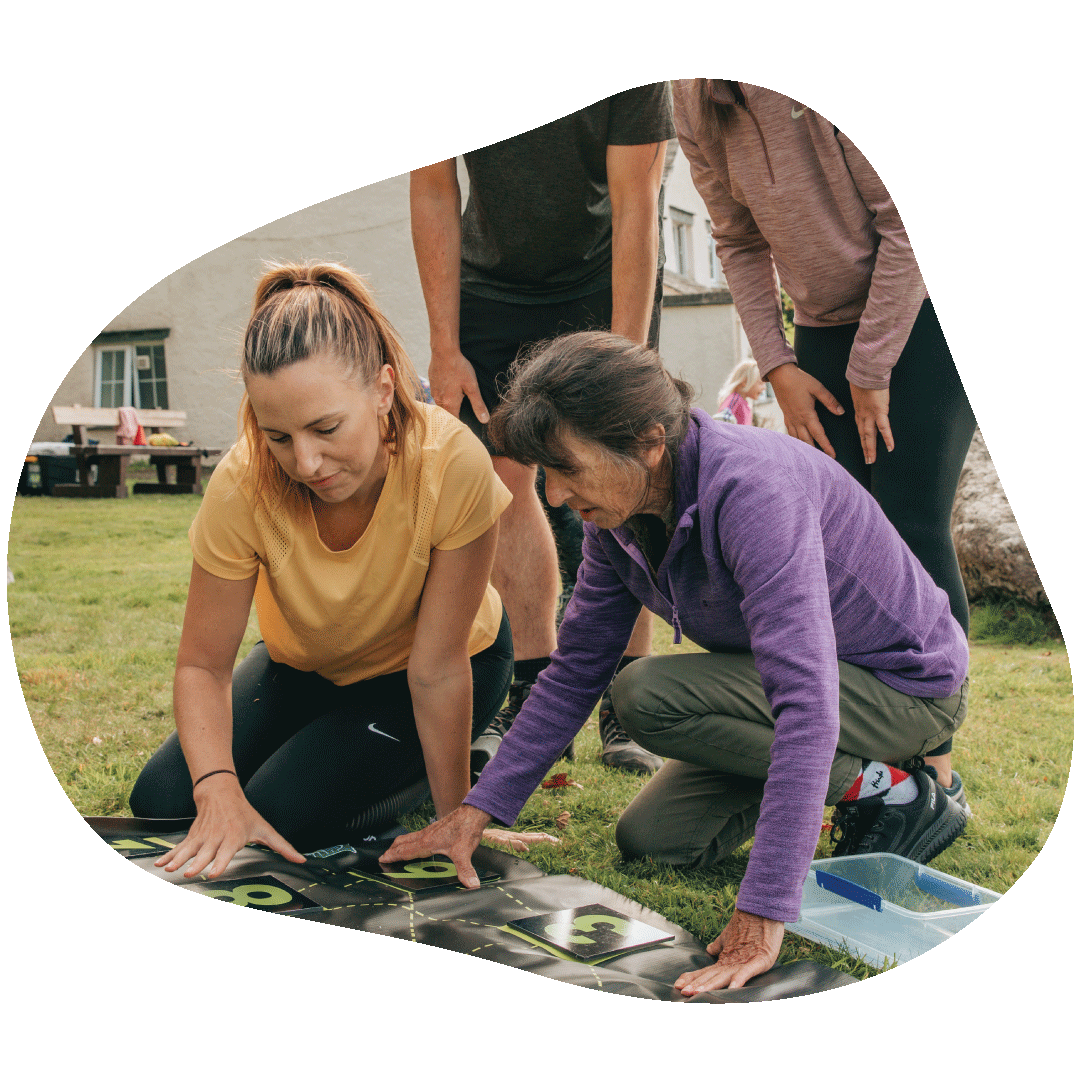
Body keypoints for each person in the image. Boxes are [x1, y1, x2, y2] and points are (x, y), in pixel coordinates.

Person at [379, 331, 969, 994]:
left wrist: (765, 910)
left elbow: (805, 705)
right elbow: (574, 671)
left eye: (567, 468)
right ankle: (854, 778)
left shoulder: (753, 494)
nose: (552, 495)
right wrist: (477, 812)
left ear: (649, 441)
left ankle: (897, 788)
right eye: (545, 473)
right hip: (797, 687)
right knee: (653, 838)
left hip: (905, 687)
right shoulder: (617, 521)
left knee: (647, 693)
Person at [129, 260, 556, 879]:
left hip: (438, 666)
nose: (305, 462)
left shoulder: (452, 463)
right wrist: (217, 784)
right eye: (277, 436)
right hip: (309, 664)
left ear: (384, 390)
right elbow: (203, 663)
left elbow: (436, 670)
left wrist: (455, 816)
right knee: (165, 803)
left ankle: (465, 755)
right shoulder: (241, 481)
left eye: (326, 428)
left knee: (282, 815)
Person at [672, 80, 977, 812]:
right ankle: (868, 750)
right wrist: (778, 365)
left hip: (919, 310)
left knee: (910, 521)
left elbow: (900, 227)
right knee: (835, 532)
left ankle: (931, 762)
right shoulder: (690, 99)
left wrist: (871, 367)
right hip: (818, 329)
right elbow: (737, 239)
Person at [409, 85, 675, 775]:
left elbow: (636, 204)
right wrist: (444, 346)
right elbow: (434, 191)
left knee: (623, 475)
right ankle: (528, 685)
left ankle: (626, 696)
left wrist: (624, 355)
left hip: (603, 272)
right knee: (496, 478)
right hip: (487, 285)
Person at [713, 358, 765, 425]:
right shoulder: (735, 400)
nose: (764, 388)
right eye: (760, 383)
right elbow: (721, 420)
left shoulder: (744, 403)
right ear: (745, 382)